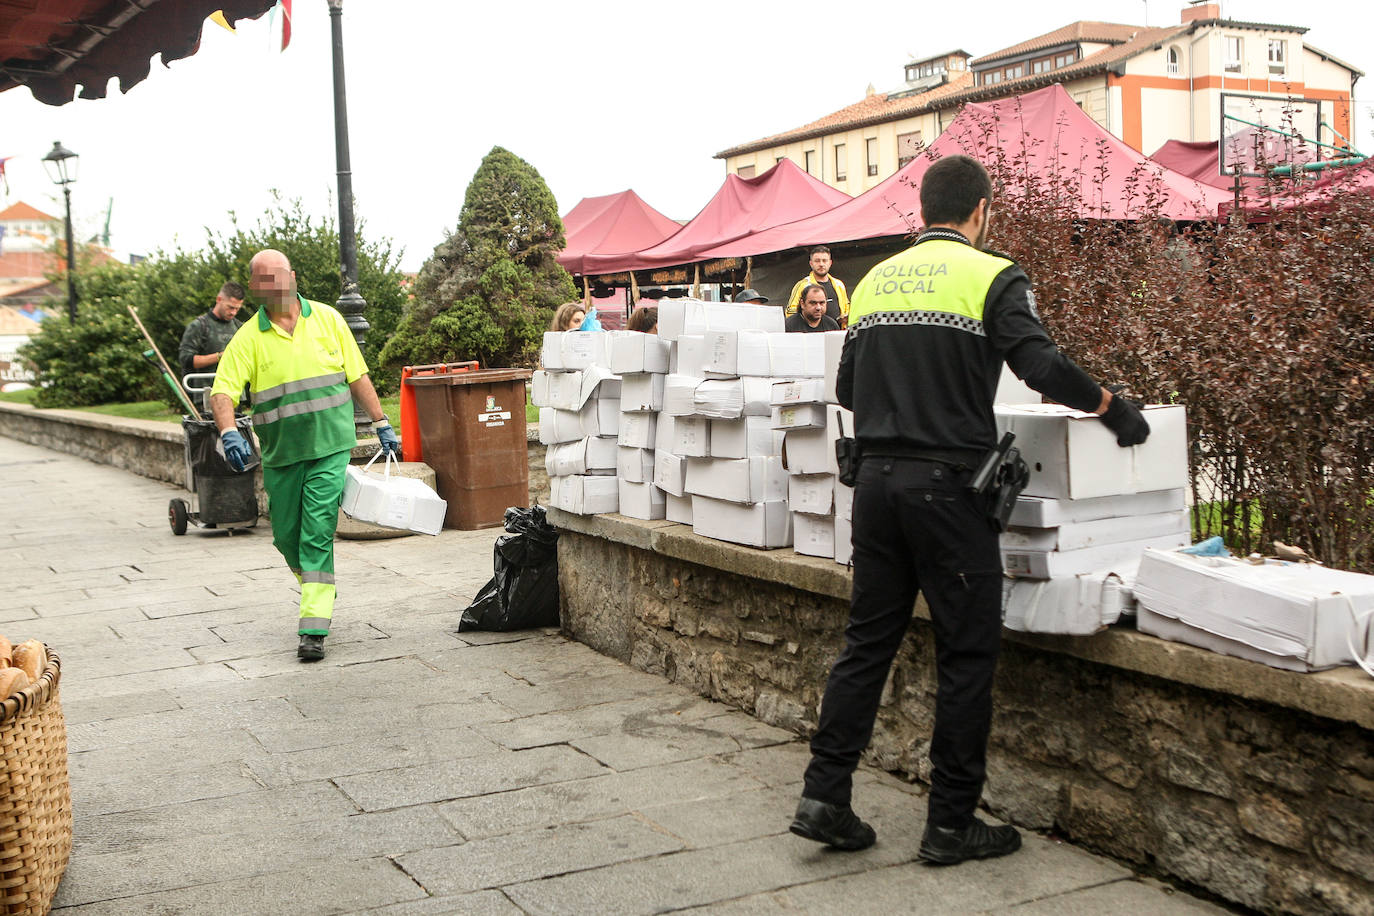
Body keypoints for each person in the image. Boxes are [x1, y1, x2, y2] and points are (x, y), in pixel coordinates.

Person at [789, 155, 1150, 864]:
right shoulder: (993, 274)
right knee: (966, 651)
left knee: (867, 645)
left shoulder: (875, 280)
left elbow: (849, 387)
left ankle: (824, 796)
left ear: (923, 211)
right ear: (981, 209)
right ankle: (951, 822)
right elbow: (1039, 367)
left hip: (878, 487)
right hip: (948, 493)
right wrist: (1111, 407)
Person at [210, 250, 400, 662]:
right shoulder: (248, 337)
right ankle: (319, 583)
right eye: (262, 280)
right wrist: (228, 430)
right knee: (285, 536)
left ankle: (313, 627)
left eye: (277, 277)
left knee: (315, 532)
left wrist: (381, 421)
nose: (272, 286)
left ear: (292, 277)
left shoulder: (330, 320)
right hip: (282, 454)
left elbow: (357, 375)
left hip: (330, 446)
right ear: (256, 287)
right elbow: (222, 391)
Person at [178, 282, 245, 376]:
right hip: (203, 388)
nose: (233, 312)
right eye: (230, 307)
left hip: (233, 388)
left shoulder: (239, 327)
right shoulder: (199, 326)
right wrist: (220, 356)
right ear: (219, 299)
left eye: (237, 309)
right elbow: (185, 360)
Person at [786, 246, 849, 326]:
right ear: (811, 264)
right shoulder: (803, 285)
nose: (821, 264)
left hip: (838, 333)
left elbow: (847, 307)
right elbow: (790, 312)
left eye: (824, 261)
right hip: (812, 334)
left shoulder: (839, 285)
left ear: (830, 263)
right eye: (817, 261)